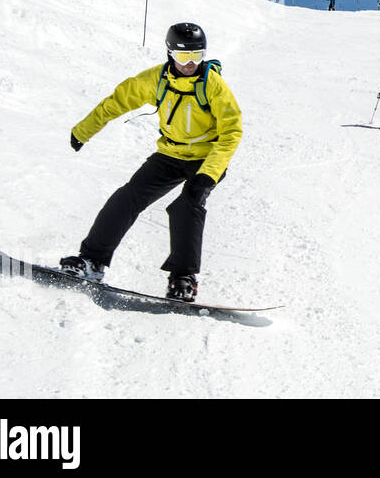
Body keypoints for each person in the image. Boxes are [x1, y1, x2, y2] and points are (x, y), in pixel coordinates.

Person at [60, 22, 243, 302]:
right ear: (170, 54)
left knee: (188, 204)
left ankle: (183, 278)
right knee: (128, 197)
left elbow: (231, 131)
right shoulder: (156, 79)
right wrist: (84, 130)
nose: (190, 63)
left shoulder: (213, 85)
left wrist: (208, 175)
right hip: (169, 153)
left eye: (197, 56)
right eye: (184, 57)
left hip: (205, 159)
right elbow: (118, 101)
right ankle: (92, 261)